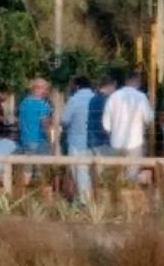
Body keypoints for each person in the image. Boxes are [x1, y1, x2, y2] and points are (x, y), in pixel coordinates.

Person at [102, 72, 154, 183]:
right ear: (138, 82)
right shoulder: (141, 97)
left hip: (116, 141)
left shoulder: (113, 96)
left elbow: (106, 124)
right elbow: (148, 119)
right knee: (132, 175)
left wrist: (113, 132)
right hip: (135, 142)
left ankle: (116, 197)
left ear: (126, 81)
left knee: (116, 176)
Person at [60, 76, 96, 205]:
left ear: (76, 86)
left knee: (79, 170)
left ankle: (83, 201)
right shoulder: (95, 97)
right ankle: (90, 198)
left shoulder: (74, 100)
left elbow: (64, 120)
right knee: (92, 172)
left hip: (77, 140)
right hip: (95, 141)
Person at [17, 77, 53, 187]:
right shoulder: (43, 105)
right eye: (45, 89)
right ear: (39, 89)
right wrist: (50, 139)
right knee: (42, 172)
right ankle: (42, 198)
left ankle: (23, 195)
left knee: (27, 171)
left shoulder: (23, 103)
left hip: (25, 140)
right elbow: (44, 123)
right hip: (39, 140)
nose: (46, 92)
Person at [88, 75, 116, 157]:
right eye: (114, 87)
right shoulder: (105, 101)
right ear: (110, 85)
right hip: (103, 141)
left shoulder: (93, 99)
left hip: (93, 141)